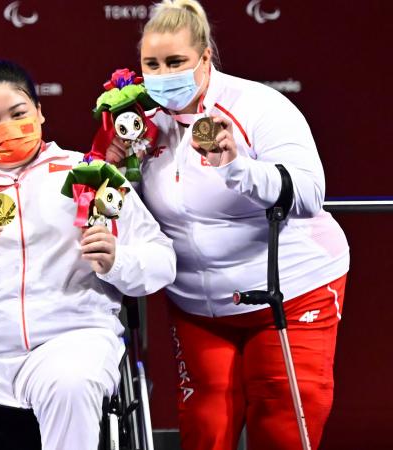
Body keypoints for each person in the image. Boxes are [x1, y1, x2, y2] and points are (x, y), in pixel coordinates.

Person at [0, 60, 176, 450]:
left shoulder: (89, 174)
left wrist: (117, 261)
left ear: (41, 113)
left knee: (70, 383)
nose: (7, 128)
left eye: (19, 114)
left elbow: (161, 259)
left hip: (72, 341)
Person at [105, 1, 350, 448]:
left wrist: (235, 166)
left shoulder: (258, 105)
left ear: (204, 58)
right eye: (152, 64)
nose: (162, 74)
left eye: (175, 62)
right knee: (206, 432)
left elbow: (310, 194)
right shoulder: (141, 124)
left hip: (291, 293)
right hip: (199, 307)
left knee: (283, 430)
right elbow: (132, 214)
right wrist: (116, 175)